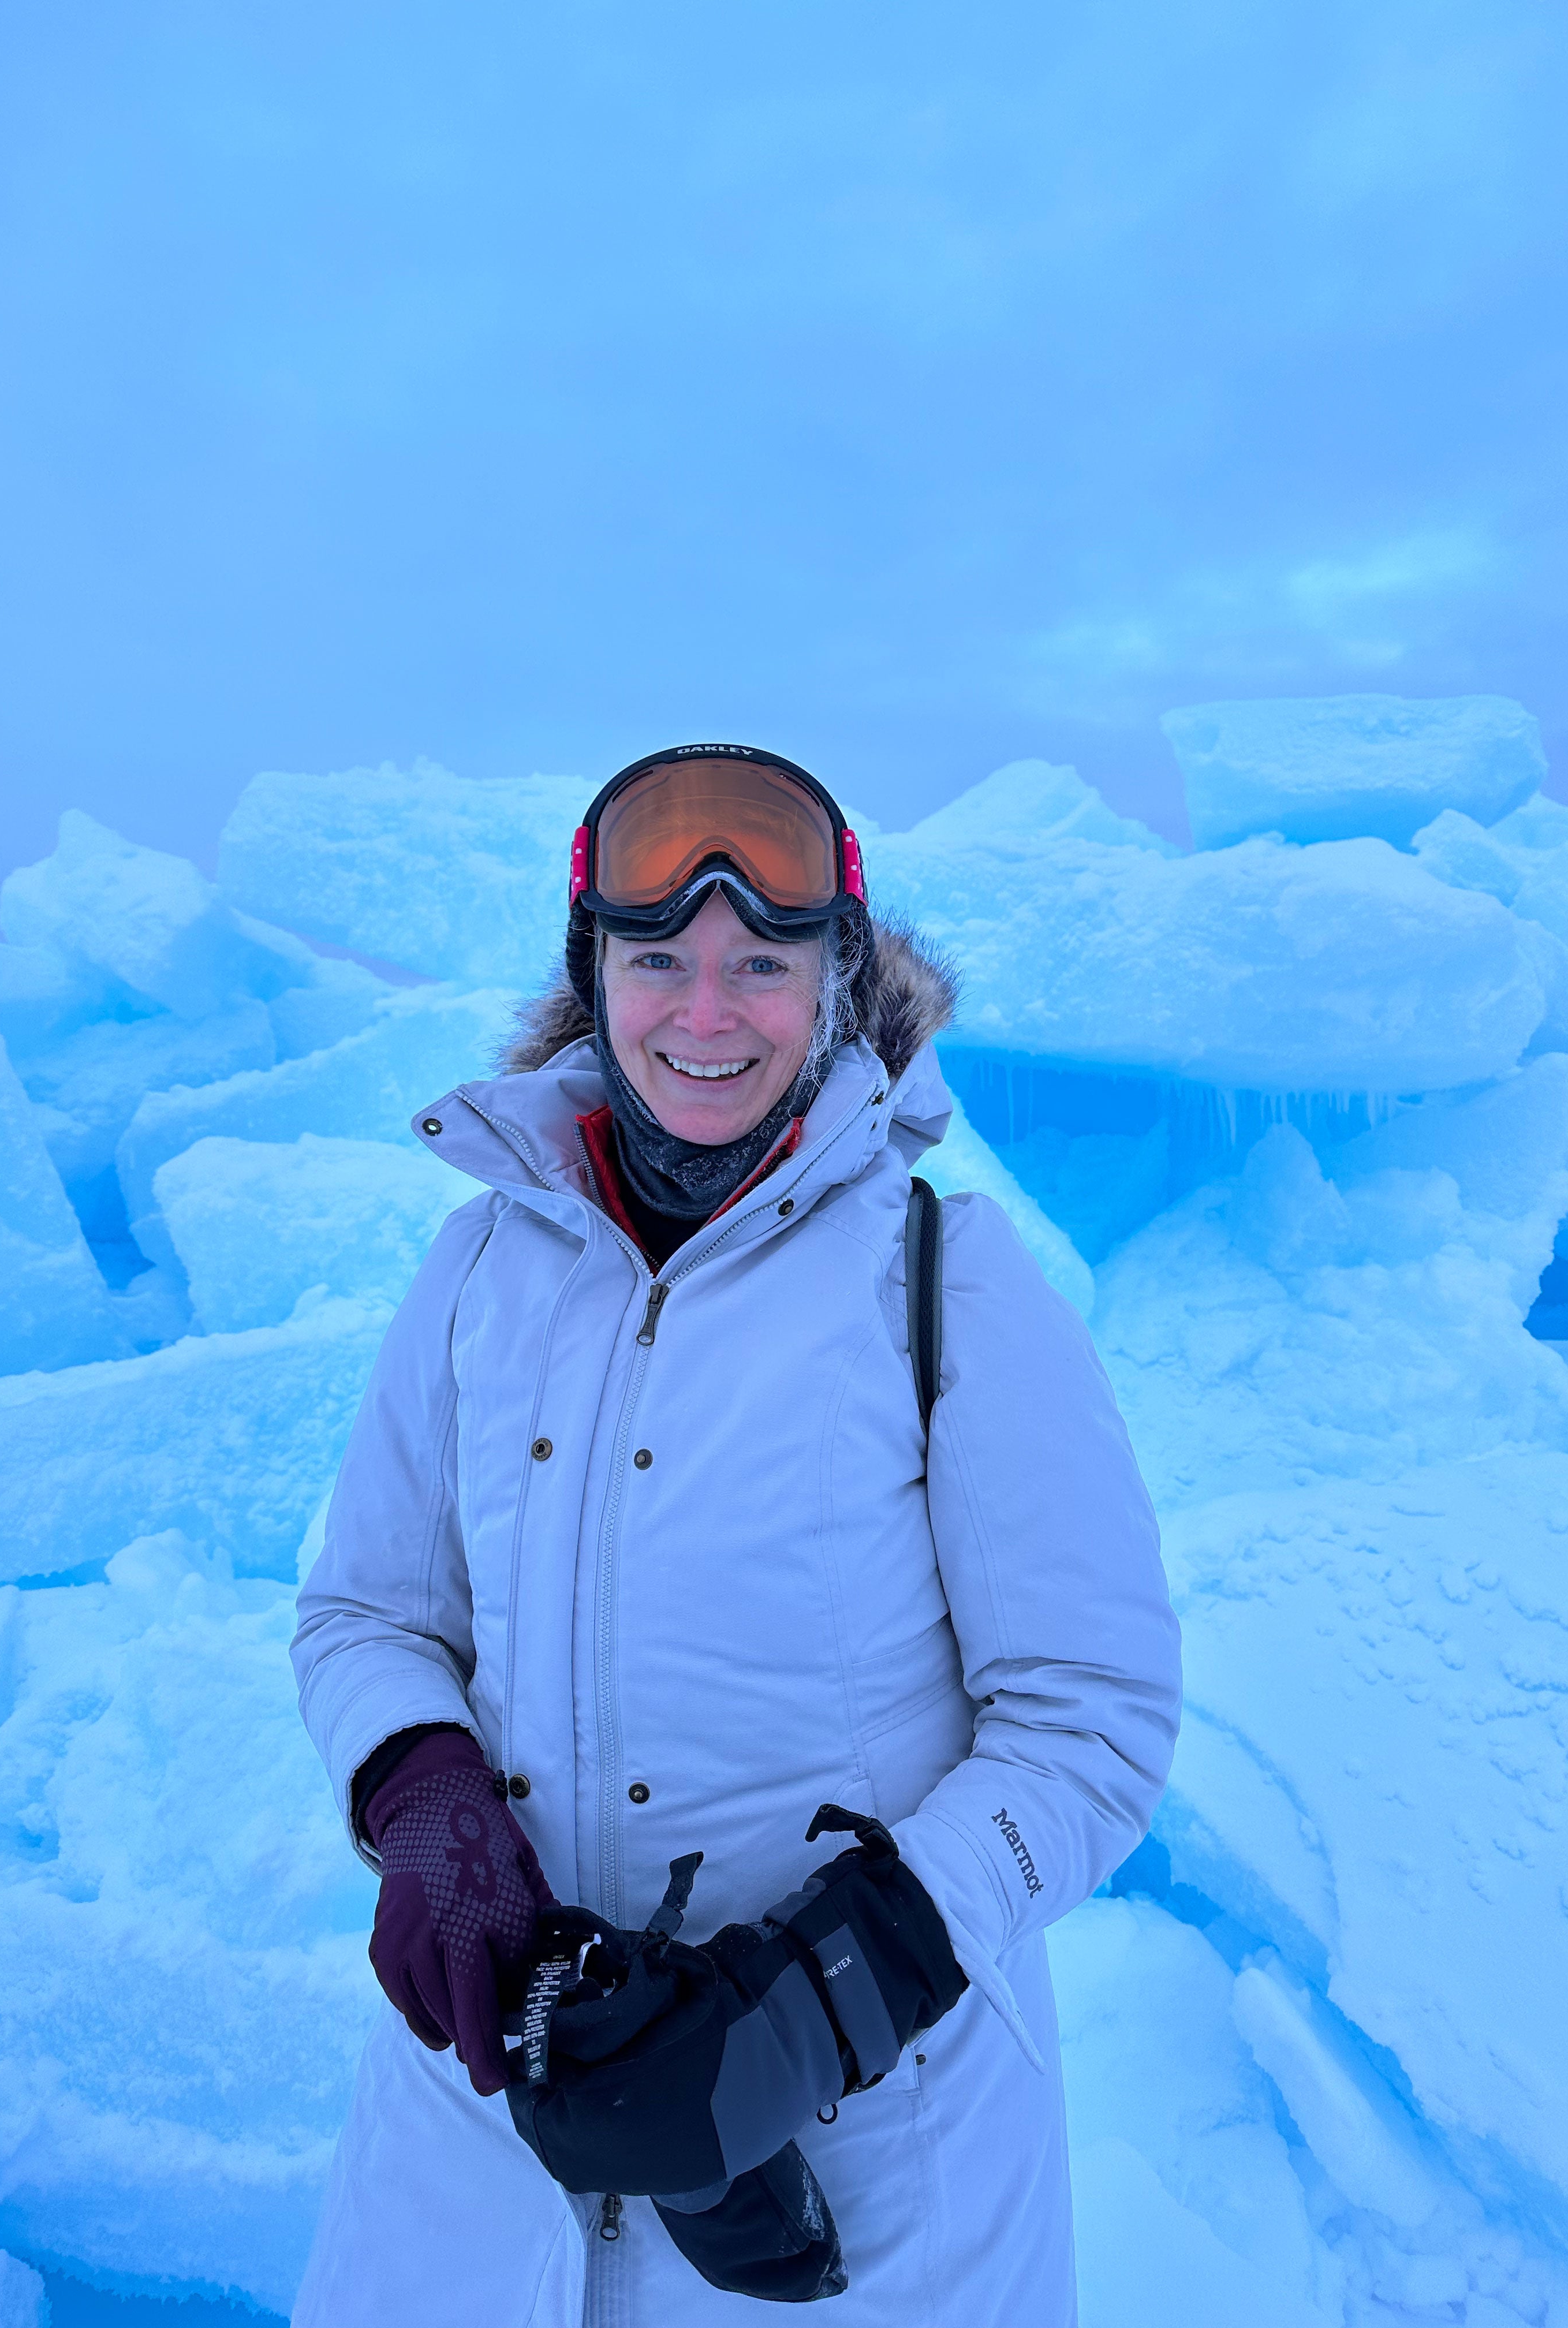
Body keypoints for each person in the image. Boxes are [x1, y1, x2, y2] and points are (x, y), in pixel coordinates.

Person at [289, 744, 1181, 2325]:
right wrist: (419, 1786)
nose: (706, 1017)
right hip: (476, 2140)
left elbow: (1090, 1724)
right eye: (659, 962)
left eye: (761, 965)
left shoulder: (948, 1283)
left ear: (838, 984)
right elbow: (369, 1614)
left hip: (868, 2175)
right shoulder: (475, 1272)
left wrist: (821, 2000)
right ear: (596, 977)